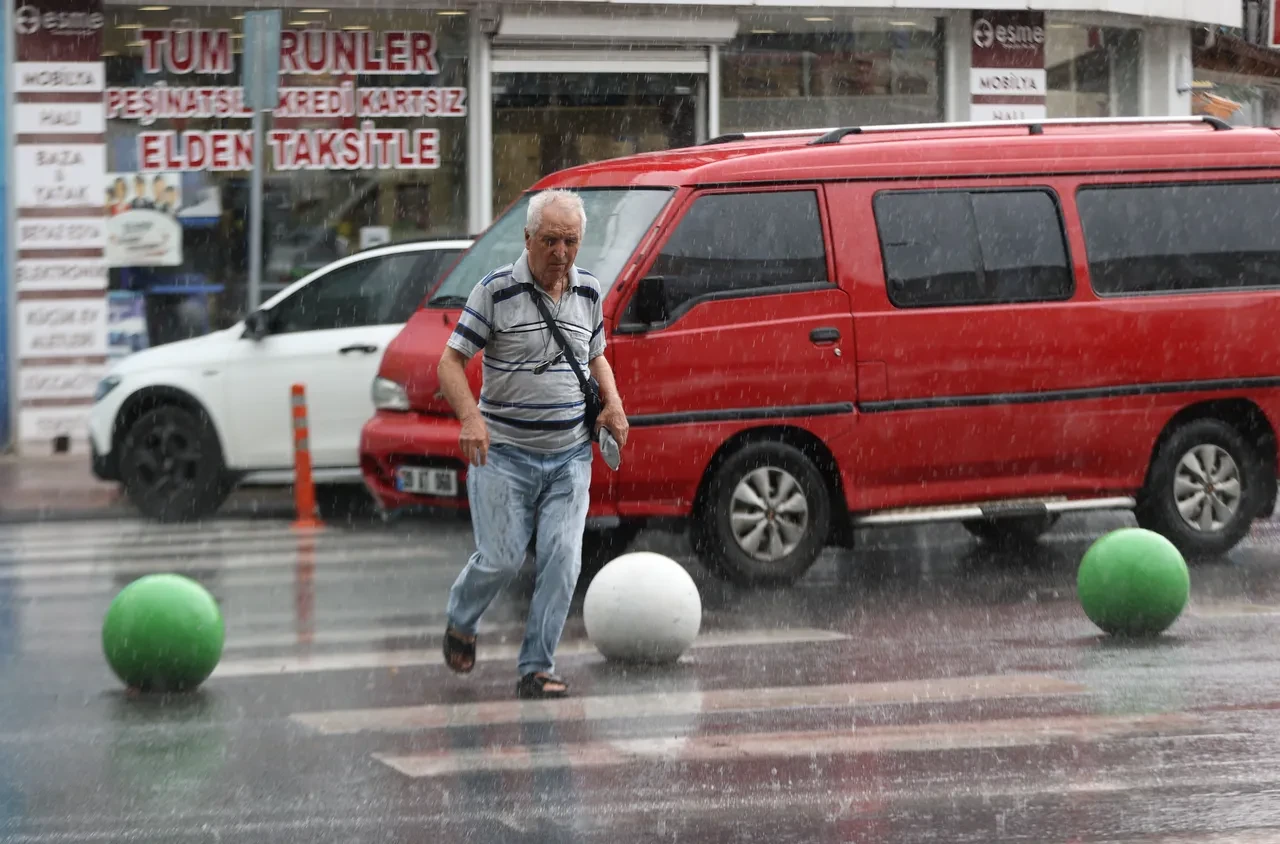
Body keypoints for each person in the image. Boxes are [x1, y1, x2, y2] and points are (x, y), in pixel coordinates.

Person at [436, 189, 629, 700]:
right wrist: (470, 418)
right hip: (502, 454)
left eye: (571, 241)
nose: (561, 253)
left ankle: (537, 667)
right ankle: (462, 619)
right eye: (550, 241)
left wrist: (613, 403)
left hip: (569, 456)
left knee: (563, 562)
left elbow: (596, 355)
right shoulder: (494, 291)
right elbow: (450, 362)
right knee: (500, 559)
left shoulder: (589, 290)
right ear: (527, 239)